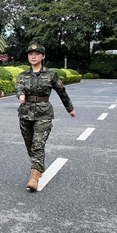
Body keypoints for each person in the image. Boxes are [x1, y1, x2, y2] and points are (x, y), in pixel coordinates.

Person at [15, 43, 75, 191]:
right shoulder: (23, 75)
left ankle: (34, 176)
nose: (33, 56)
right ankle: (38, 165)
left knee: (38, 144)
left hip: (44, 114)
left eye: (36, 54)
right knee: (29, 144)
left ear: (43, 56)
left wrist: (70, 108)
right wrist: (21, 95)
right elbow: (19, 87)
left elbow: (62, 91)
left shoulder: (51, 74)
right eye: (30, 54)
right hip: (25, 114)